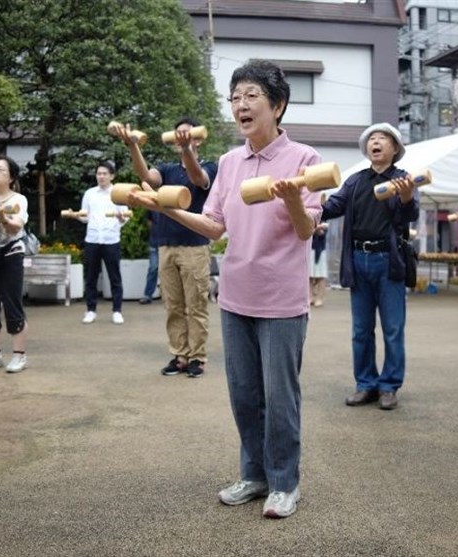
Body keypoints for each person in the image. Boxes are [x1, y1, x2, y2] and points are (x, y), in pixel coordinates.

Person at [124, 60, 320, 518]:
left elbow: (306, 228)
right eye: (235, 97)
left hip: (282, 301)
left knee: (280, 395)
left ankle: (285, 482)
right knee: (245, 394)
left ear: (278, 105)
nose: (240, 105)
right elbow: (213, 226)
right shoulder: (230, 163)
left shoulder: (305, 159)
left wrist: (292, 198)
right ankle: (254, 475)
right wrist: (164, 209)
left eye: (251, 95)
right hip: (235, 296)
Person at [322, 122, 419, 410]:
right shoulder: (354, 181)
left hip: (388, 261)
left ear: (394, 148)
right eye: (372, 139)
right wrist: (308, 201)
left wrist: (405, 197)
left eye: (382, 139)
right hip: (358, 259)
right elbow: (331, 207)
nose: (375, 142)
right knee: (361, 329)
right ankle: (365, 384)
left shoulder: (403, 179)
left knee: (392, 328)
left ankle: (389, 386)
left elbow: (409, 215)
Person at [112, 118, 217, 378]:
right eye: (178, 135)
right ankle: (180, 355)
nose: (181, 138)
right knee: (172, 305)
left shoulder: (209, 167)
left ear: (198, 139)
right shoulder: (167, 169)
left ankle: (198, 357)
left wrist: (187, 150)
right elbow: (146, 176)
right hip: (166, 245)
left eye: (187, 135)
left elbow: (197, 177)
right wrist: (132, 145)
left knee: (196, 305)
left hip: (195, 245)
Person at [67, 161, 128, 325]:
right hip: (92, 240)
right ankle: (91, 310)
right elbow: (85, 216)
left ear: (112, 176)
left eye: (104, 174)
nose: (101, 176)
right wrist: (76, 216)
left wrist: (122, 218)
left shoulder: (118, 193)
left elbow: (126, 217)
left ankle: (117, 311)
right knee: (91, 277)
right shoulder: (90, 194)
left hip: (111, 239)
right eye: (99, 173)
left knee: (115, 277)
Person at [0, 155, 29, 373]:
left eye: (0, 170)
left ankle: (19, 356)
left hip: (11, 253)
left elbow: (14, 227)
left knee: (12, 304)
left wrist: (1, 217)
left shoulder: (19, 200)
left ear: (11, 177)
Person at [139, 210, 160, 304]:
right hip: (155, 241)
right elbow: (149, 221)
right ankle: (148, 295)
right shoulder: (152, 202)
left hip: (169, 242)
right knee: (153, 268)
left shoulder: (170, 200)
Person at [309, 217, 328, 307]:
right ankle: (310, 297)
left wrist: (316, 228)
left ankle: (320, 298)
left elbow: (322, 231)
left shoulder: (324, 214)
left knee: (321, 276)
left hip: (320, 250)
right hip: (309, 248)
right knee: (309, 276)